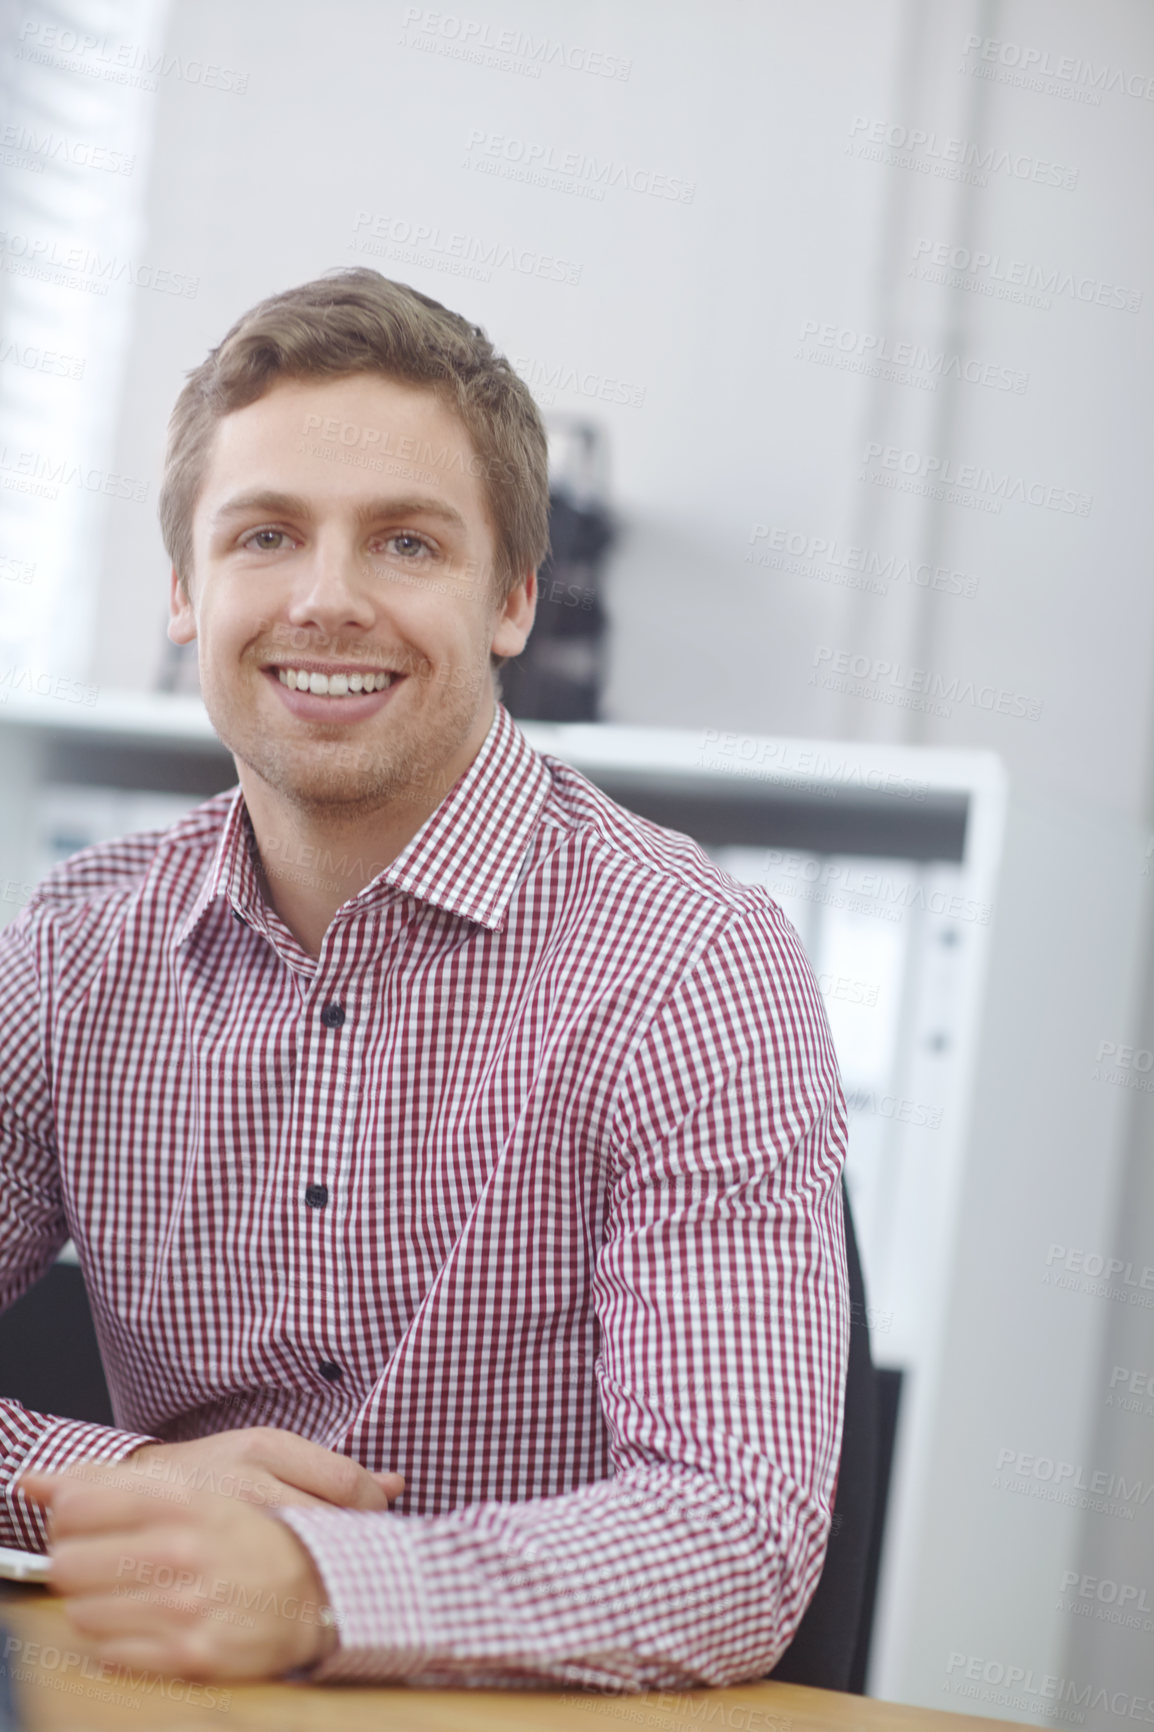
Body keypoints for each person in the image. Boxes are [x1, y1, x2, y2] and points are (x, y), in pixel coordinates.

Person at [2, 269, 849, 1690]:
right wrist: (129, 1482)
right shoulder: (77, 951)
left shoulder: (694, 966)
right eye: (265, 534)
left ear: (512, 598)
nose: (327, 602)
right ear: (183, 591)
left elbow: (732, 1539)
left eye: (404, 543)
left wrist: (322, 1588)